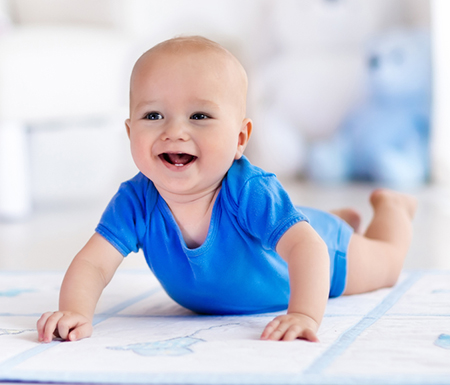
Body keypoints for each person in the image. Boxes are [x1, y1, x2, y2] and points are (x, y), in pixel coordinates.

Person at [37, 36, 417, 343]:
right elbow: (93, 264)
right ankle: (332, 218)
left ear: (239, 139)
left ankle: (392, 209)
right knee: (291, 227)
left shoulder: (248, 190)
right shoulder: (135, 201)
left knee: (386, 264)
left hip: (326, 257)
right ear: (130, 131)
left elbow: (308, 249)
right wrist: (74, 311)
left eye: (199, 116)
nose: (175, 131)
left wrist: (303, 314)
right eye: (153, 115)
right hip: (291, 240)